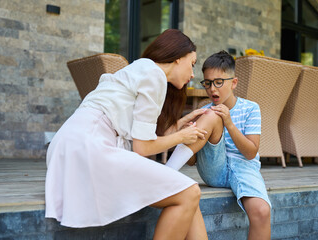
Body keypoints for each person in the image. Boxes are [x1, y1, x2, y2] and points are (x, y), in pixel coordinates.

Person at [45, 29, 209, 240]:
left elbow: (141, 136)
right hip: (89, 148)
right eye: (192, 64)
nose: (193, 74)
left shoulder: (140, 69)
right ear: (178, 58)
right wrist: (182, 138)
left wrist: (179, 125)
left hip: (72, 146)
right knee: (190, 192)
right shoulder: (155, 74)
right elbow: (143, 148)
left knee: (186, 191)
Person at [165, 50, 271, 240]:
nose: (212, 89)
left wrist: (229, 123)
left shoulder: (251, 108)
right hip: (214, 168)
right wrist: (187, 136)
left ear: (234, 83)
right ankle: (167, 172)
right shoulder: (204, 112)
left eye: (219, 82)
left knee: (262, 211)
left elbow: (250, 152)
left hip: (244, 168)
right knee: (210, 114)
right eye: (207, 83)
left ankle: (166, 171)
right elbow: (192, 161)